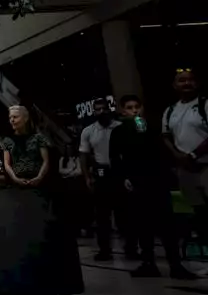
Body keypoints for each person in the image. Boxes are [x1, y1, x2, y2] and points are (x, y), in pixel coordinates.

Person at [111, 95, 194, 280]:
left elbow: (161, 151)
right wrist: (123, 177)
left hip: (158, 180)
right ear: (123, 111)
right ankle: (149, 263)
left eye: (136, 107)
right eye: (130, 108)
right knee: (143, 224)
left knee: (167, 224)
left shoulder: (150, 128)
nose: (134, 111)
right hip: (137, 182)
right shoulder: (118, 132)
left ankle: (175, 264)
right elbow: (115, 158)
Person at [80, 98, 133, 260]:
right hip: (101, 176)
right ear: (94, 111)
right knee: (102, 217)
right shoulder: (88, 131)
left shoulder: (120, 127)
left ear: (109, 109)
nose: (101, 112)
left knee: (124, 215)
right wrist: (87, 177)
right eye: (98, 109)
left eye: (104, 108)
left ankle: (130, 249)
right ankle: (105, 250)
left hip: (119, 174)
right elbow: (83, 155)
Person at [162, 68, 208, 255]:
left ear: (196, 83)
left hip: (205, 165)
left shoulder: (205, 104)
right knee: (197, 210)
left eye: (190, 80)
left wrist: (193, 155)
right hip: (184, 168)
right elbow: (165, 136)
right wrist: (178, 155)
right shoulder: (170, 110)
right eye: (182, 80)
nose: (186, 83)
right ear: (175, 85)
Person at [2, 105, 51, 188]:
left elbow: (46, 161)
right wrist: (15, 179)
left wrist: (39, 177)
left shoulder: (38, 138)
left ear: (25, 118)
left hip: (39, 184)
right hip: (17, 185)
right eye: (10, 117)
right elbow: (7, 164)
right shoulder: (7, 140)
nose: (12, 120)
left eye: (15, 117)